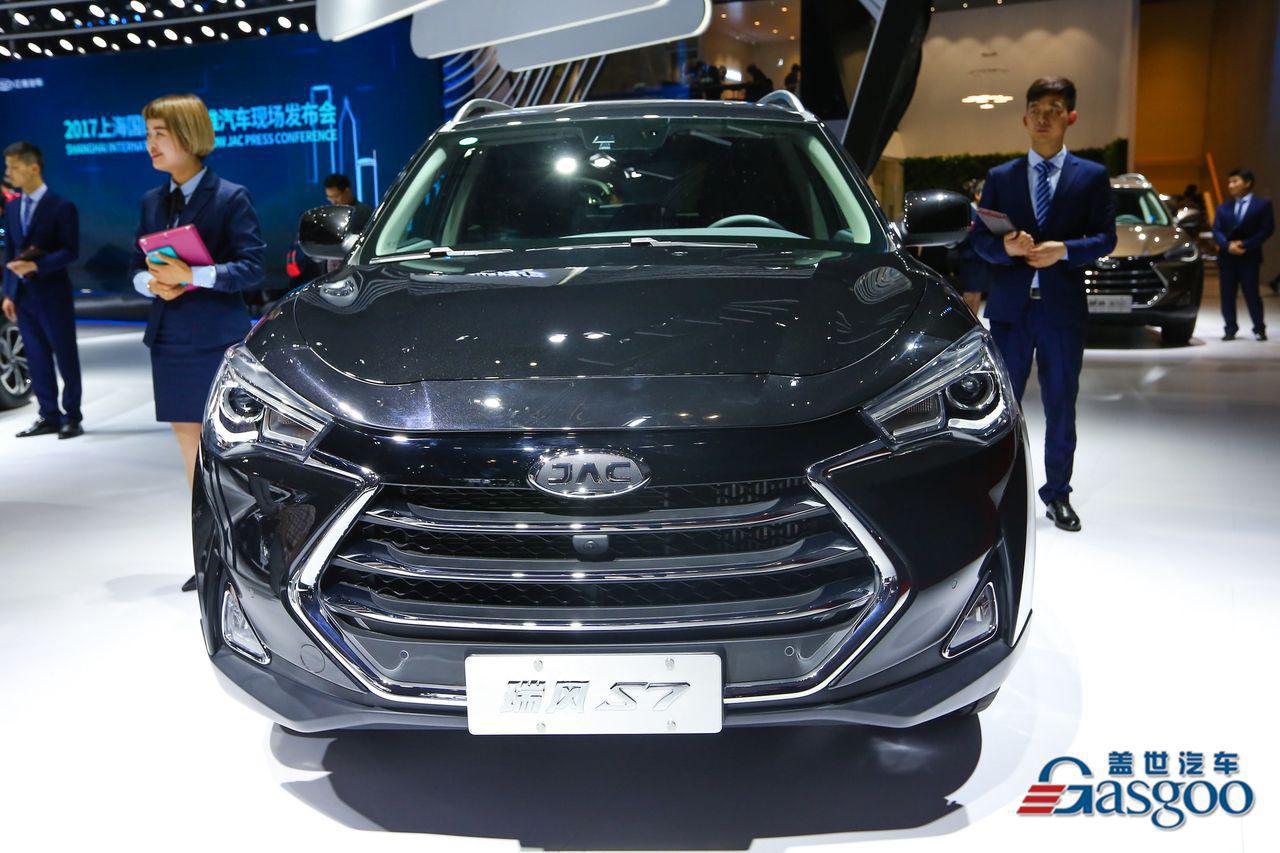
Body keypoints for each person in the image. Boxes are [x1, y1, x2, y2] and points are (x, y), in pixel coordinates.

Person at [130, 93, 265, 591]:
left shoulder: (230, 197)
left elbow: (252, 267)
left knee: (226, 452)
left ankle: (245, 557)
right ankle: (208, 556)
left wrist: (194, 276)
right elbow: (136, 268)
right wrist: (154, 283)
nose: (150, 145)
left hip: (213, 340)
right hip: (170, 338)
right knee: (191, 454)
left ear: (188, 136)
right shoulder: (152, 201)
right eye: (148, 135)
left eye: (159, 134)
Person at [970, 77, 1117, 532]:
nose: (1043, 118)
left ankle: (1057, 494)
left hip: (1061, 311)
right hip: (1010, 311)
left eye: (1054, 109)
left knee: (1061, 404)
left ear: (1070, 116)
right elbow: (979, 241)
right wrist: (1005, 248)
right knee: (1000, 408)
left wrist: (1065, 250)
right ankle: (997, 496)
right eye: (1035, 109)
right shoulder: (1001, 177)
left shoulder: (1091, 177)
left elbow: (1106, 238)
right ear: (1024, 118)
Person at [2, 141, 84, 439]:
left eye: (14, 167)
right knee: (36, 357)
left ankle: (72, 417)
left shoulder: (61, 206)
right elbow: (11, 252)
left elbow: (70, 251)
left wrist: (37, 266)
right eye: (8, 167)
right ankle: (48, 415)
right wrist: (9, 293)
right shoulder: (13, 207)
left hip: (53, 294)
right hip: (24, 297)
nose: (9, 173)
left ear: (33, 168)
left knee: (65, 357)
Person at [1212, 167, 1274, 341]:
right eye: (1229, 182)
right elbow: (1216, 230)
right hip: (1227, 258)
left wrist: (1245, 244)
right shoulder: (1223, 207)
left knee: (1252, 294)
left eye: (1235, 181)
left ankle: (1259, 327)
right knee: (1227, 295)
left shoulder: (1262, 205)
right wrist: (1227, 245)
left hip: (1249, 257)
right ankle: (1230, 328)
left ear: (1247, 183)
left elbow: (1267, 229)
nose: (1230, 185)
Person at [948, 177, 990, 315]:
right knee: (968, 294)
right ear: (977, 194)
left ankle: (975, 320)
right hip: (968, 258)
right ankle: (967, 321)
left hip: (982, 259)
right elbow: (958, 234)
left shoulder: (985, 212)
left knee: (977, 293)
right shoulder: (967, 210)